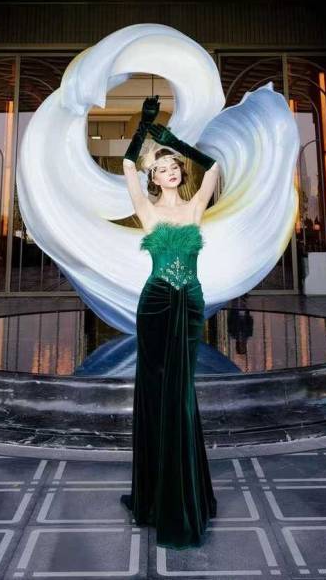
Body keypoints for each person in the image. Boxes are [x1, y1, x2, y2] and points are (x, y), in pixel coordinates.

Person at [119, 95, 219, 549]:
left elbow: (212, 167)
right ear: (154, 178)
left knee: (182, 394)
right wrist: (144, 128)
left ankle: (183, 492)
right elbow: (127, 166)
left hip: (191, 305)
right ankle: (156, 495)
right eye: (160, 168)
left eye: (173, 165)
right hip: (156, 305)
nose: (170, 171)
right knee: (157, 392)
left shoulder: (195, 206)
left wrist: (170, 139)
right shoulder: (148, 210)